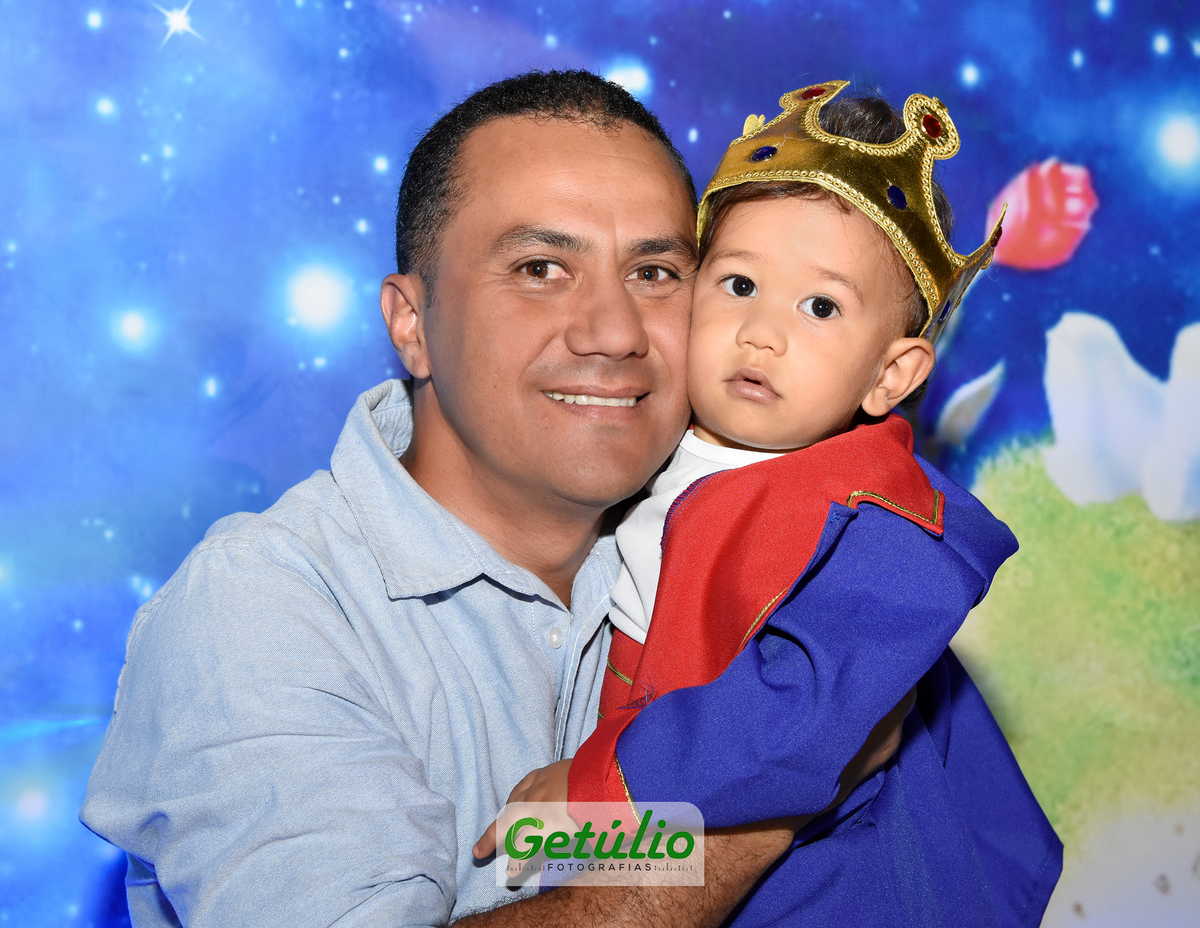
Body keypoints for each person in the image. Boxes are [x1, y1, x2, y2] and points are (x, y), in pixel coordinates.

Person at [80, 70, 902, 927]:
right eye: (540, 268)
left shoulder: (789, 549)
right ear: (412, 324)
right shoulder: (263, 605)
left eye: (655, 272)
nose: (614, 332)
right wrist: (782, 786)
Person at [486, 82, 1063, 926]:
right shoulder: (639, 439)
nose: (762, 331)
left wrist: (594, 787)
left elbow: (796, 723)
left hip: (834, 887)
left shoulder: (879, 524)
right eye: (738, 283)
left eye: (820, 306)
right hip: (672, 830)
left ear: (890, 375)